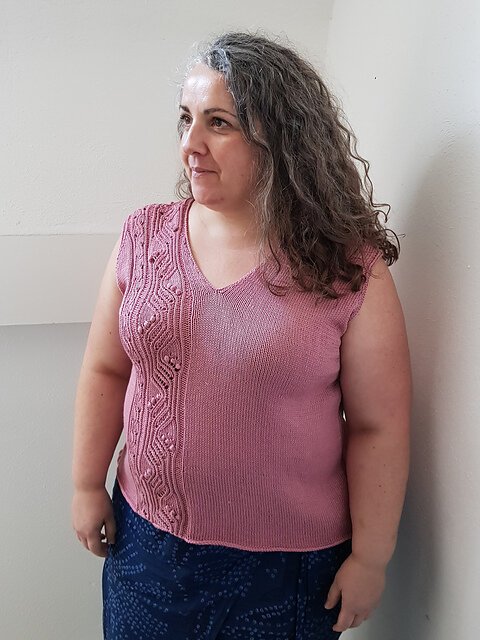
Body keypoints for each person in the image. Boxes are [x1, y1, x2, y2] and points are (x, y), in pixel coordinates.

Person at [72, 31, 411, 639]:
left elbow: (377, 425)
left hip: (290, 571)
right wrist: (84, 484)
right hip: (148, 546)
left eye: (219, 123)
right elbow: (107, 369)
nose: (190, 144)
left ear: (281, 139)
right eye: (186, 119)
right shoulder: (144, 237)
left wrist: (372, 557)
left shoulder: (347, 268)